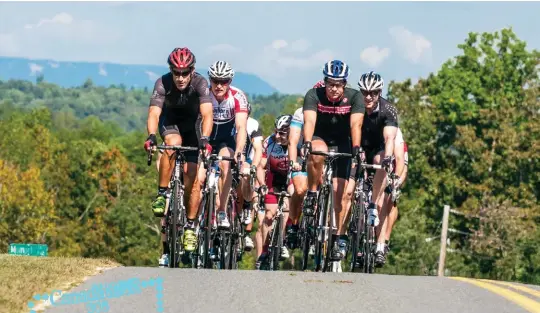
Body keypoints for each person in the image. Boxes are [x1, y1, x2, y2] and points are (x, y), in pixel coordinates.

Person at [143, 47, 213, 267]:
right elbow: (154, 113)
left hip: (193, 127)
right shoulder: (162, 83)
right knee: (172, 144)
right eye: (176, 73)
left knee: (192, 178)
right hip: (170, 122)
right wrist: (152, 136)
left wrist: (205, 139)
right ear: (171, 71)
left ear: (192, 71)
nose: (180, 78)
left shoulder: (201, 83)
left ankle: (190, 227)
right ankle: (162, 193)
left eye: (185, 73)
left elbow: (207, 114)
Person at [301, 60, 365, 261]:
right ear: (325, 81)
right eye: (330, 83)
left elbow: (356, 125)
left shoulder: (355, 97)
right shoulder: (314, 95)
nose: (334, 89)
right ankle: (312, 193)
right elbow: (309, 120)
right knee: (317, 152)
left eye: (338, 84)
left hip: (343, 142)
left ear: (344, 84)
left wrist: (356, 148)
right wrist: (307, 142)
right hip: (320, 137)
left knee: (341, 193)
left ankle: (339, 237)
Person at [189, 60, 248, 239]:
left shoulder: (238, 97)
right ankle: (193, 220)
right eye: (215, 81)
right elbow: (196, 121)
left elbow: (241, 127)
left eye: (224, 81)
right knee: (198, 180)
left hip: (225, 140)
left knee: (225, 165)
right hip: (204, 138)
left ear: (230, 81)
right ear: (210, 80)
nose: (219, 85)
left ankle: (221, 211)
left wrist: (239, 150)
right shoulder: (204, 94)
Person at [356, 70, 399, 267]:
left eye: (373, 93)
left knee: (381, 159)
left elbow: (390, 138)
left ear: (380, 92)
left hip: (379, 148)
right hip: (358, 146)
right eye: (365, 92)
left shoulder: (388, 110)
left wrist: (389, 158)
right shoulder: (355, 106)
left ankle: (373, 206)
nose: (368, 97)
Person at [255, 115, 294, 268]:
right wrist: (262, 184)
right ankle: (265, 250)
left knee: (290, 200)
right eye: (276, 132)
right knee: (269, 216)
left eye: (282, 133)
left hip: (291, 178)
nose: (277, 136)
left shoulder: (298, 143)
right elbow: (260, 166)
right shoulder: (270, 142)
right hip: (274, 178)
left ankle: (285, 238)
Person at [237, 103, 263, 251]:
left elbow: (258, 148)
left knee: (246, 174)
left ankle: (247, 207)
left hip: (246, 159)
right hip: (228, 157)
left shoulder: (252, 124)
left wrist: (253, 165)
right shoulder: (226, 121)